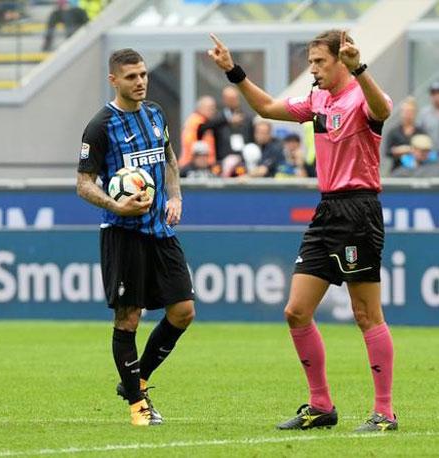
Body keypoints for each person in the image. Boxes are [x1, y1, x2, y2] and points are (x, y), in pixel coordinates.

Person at [208, 29, 396, 432]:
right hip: (327, 211)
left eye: (319, 62)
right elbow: (268, 109)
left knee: (366, 313)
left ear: (341, 61)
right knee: (296, 311)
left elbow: (384, 109)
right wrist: (233, 71)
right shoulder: (317, 99)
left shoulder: (361, 96)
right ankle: (321, 406)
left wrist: (360, 67)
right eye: (310, 62)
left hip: (359, 210)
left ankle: (384, 412)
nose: (313, 69)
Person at [76, 48, 195, 427]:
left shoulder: (157, 113)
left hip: (161, 231)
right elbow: (83, 184)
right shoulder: (100, 126)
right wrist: (117, 205)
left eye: (143, 74)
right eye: (131, 77)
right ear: (114, 80)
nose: (140, 81)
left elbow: (170, 158)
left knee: (183, 311)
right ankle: (138, 406)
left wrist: (175, 195)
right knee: (128, 319)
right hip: (124, 235)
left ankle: (135, 380)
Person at [383, 97, 425, 172]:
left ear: (415, 113)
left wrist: (415, 151)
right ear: (401, 112)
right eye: (406, 111)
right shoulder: (394, 132)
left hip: (418, 172)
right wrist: (400, 150)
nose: (408, 114)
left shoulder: (421, 132)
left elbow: (427, 150)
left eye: (410, 111)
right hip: (397, 171)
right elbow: (387, 152)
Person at [179, 95, 217, 170]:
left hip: (205, 163)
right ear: (200, 108)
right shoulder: (196, 122)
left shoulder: (204, 121)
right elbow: (190, 143)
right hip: (193, 165)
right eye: (210, 108)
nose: (213, 111)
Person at [418, 81, 439, 153]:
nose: (436, 96)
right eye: (433, 94)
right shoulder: (424, 113)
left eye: (438, 93)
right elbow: (420, 134)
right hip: (429, 154)